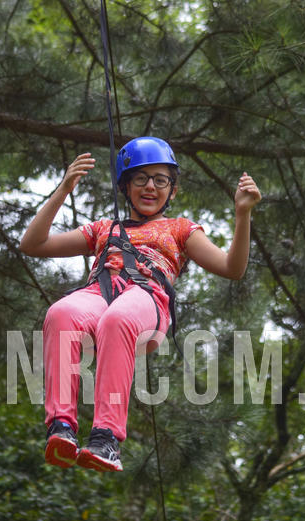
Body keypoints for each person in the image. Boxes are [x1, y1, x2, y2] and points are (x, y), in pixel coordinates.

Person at [19, 136, 261, 473]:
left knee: (117, 318)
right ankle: (61, 426)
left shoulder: (182, 230)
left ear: (172, 190)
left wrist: (242, 214)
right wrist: (63, 190)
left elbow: (232, 268)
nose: (150, 187)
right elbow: (33, 244)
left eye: (160, 180)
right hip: (100, 294)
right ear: (125, 186)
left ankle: (106, 437)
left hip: (146, 300)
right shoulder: (104, 228)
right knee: (61, 312)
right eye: (140, 179)